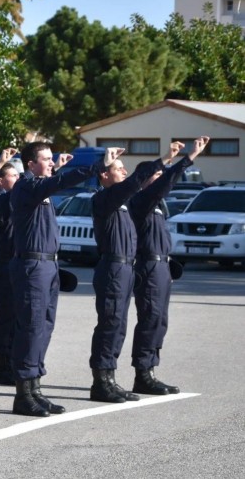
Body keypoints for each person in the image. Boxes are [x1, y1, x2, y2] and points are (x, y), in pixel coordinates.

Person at [10, 142, 115, 417]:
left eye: (51, 159)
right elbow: (59, 181)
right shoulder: (26, 187)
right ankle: (23, 394)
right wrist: (97, 166)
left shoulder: (41, 189)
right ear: (31, 164)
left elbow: (56, 181)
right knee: (31, 327)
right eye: (45, 159)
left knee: (44, 326)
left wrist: (58, 169)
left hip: (48, 266)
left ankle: (35, 389)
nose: (51, 163)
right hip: (32, 265)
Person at [129, 137, 208, 396]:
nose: (160, 177)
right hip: (148, 268)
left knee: (160, 320)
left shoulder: (158, 206)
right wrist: (187, 159)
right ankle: (143, 374)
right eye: (156, 174)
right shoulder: (141, 201)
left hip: (162, 267)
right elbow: (162, 185)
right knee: (150, 319)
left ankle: (151, 369)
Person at [88, 147, 166, 402]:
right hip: (112, 266)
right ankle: (101, 381)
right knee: (110, 323)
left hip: (126, 267)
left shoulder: (122, 204)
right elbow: (133, 183)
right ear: (104, 175)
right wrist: (164, 160)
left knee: (119, 325)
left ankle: (110, 378)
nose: (123, 170)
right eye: (117, 168)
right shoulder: (104, 199)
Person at [0, 156, 19, 385]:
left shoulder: (11, 199)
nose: (18, 179)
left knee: (16, 317)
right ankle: (2, 365)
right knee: (4, 318)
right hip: (3, 263)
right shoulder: (1, 201)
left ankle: (11, 362)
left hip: (14, 262)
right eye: (13, 176)